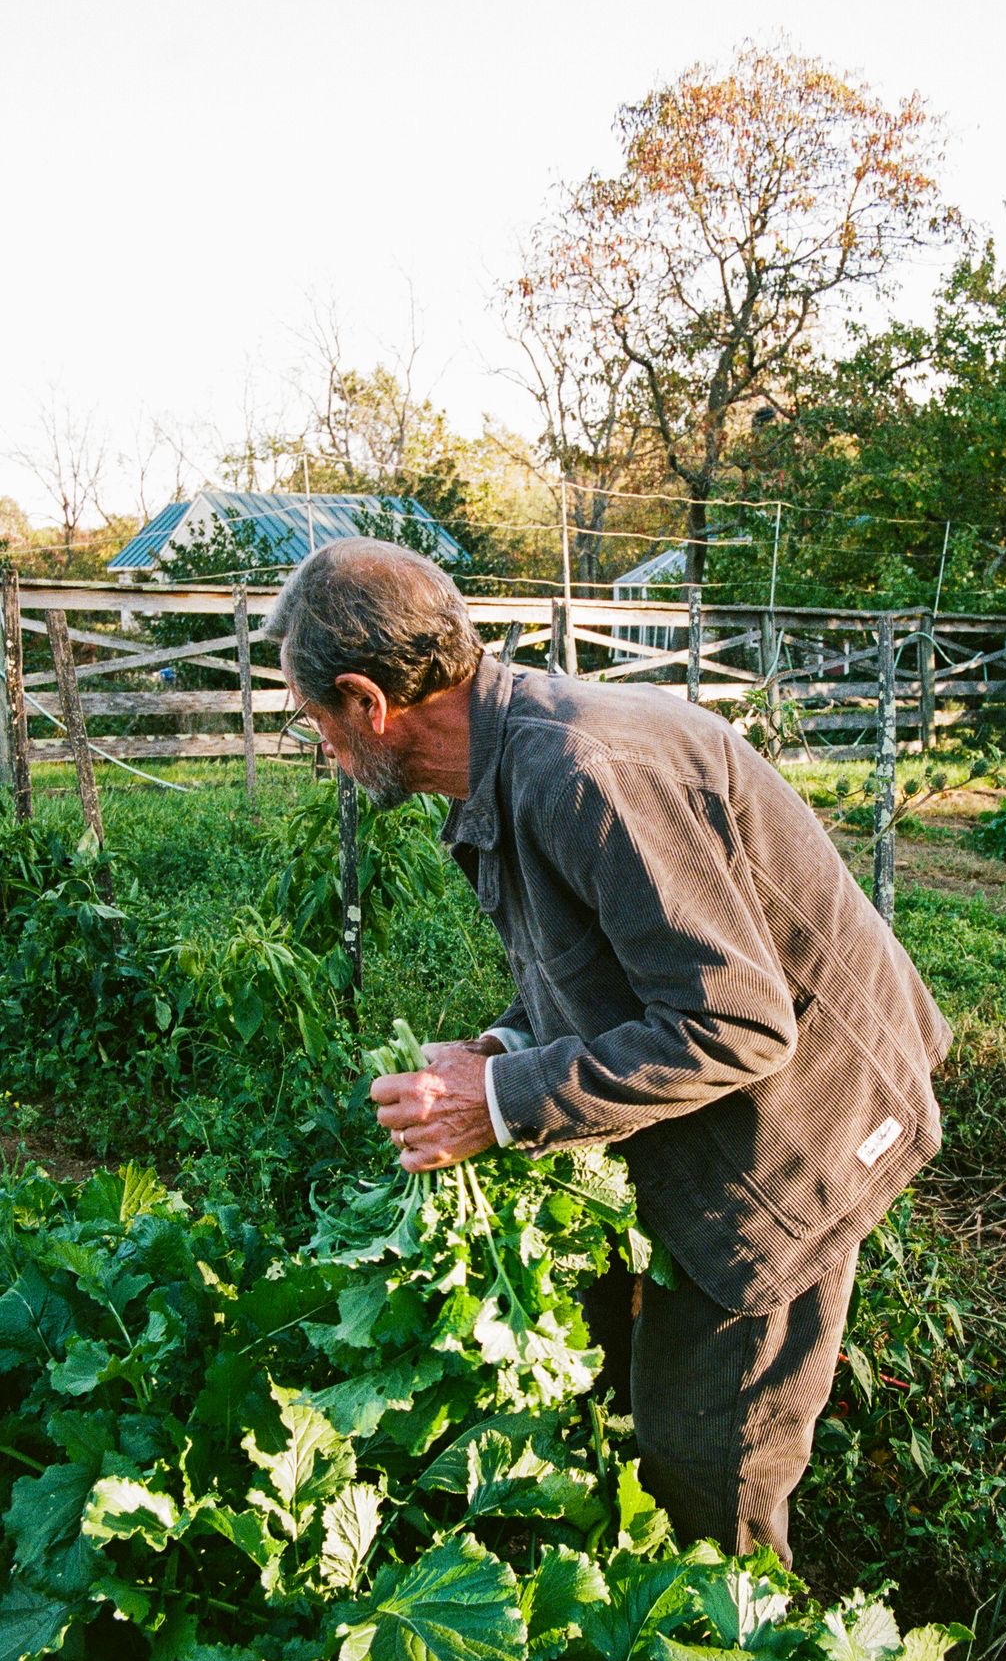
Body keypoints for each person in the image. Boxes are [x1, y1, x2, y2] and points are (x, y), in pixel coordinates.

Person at [266, 539, 951, 1567]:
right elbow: (601, 957)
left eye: (310, 715)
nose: (317, 742)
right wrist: (499, 1044)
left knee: (705, 1451)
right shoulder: (500, 760)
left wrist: (496, 1104)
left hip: (809, 1113)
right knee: (628, 1381)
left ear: (365, 700)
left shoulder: (577, 770)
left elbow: (738, 1024)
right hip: (737, 1092)